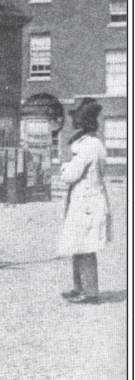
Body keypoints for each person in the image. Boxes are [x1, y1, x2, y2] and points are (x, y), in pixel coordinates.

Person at [58, 98, 112, 304]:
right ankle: (79, 288)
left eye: (77, 119)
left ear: (83, 123)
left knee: (85, 248)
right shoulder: (92, 143)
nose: (73, 123)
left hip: (87, 204)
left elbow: (70, 175)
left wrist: (64, 166)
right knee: (78, 245)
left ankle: (90, 293)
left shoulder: (88, 145)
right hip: (87, 201)